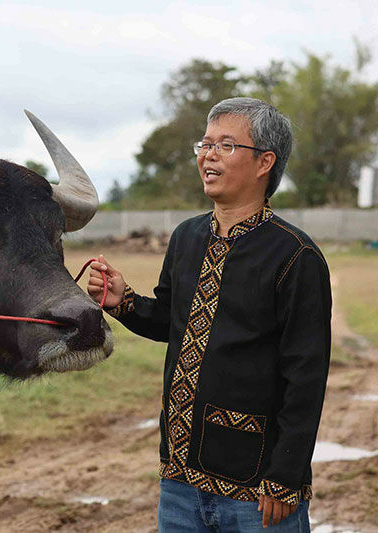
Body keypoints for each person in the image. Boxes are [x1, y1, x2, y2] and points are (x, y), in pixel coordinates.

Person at [88, 97, 331, 532]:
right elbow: (169, 320)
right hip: (179, 480)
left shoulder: (296, 256)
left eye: (225, 145)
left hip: (256, 490)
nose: (208, 155)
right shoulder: (187, 236)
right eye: (204, 143)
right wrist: (122, 301)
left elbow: (306, 377)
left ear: (264, 163)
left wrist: (285, 476)